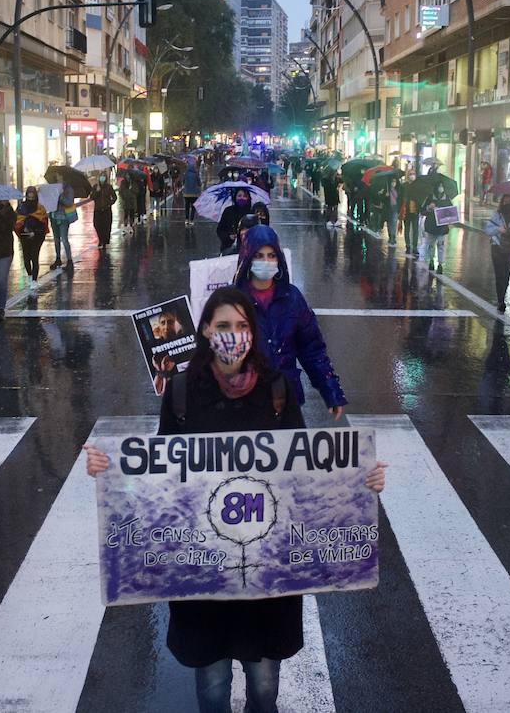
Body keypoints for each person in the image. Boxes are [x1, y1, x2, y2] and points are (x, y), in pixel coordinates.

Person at [83, 287, 384, 713]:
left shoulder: (277, 390)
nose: (233, 334)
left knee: (264, 688)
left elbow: (307, 473)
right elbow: (159, 476)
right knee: (212, 686)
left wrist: (358, 480)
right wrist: (111, 471)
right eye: (223, 325)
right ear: (206, 330)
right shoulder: (181, 392)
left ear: (252, 332)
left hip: (266, 575)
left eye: (242, 326)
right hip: (205, 575)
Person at [233, 225, 348, 414]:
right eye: (259, 256)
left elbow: (312, 349)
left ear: (278, 258)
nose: (266, 261)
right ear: (248, 258)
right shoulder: (232, 300)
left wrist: (331, 391)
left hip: (286, 399)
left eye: (271, 255)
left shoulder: (292, 298)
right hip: (244, 403)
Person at [483, 194, 510, 311]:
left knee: (506, 275)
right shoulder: (497, 215)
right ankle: (500, 300)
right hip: (497, 248)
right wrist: (498, 229)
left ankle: (503, 295)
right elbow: (487, 230)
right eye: (505, 202)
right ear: (502, 203)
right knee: (499, 274)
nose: (508, 204)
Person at [16, 186, 49, 281]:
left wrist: (35, 232)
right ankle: (30, 275)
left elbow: (44, 223)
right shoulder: (21, 207)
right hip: (24, 236)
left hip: (37, 237)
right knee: (26, 259)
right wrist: (23, 230)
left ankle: (34, 280)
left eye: (32, 197)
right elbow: (17, 222)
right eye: (29, 197)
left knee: (34, 257)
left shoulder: (40, 208)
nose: (30, 199)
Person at [418, 187, 454, 273]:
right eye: (439, 186)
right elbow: (422, 211)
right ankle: (431, 261)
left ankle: (440, 264)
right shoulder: (430, 197)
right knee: (431, 245)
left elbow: (452, 212)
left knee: (441, 245)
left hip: (442, 227)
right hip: (431, 226)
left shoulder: (447, 198)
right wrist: (429, 208)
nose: (440, 188)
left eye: (442, 186)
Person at [216, 189, 256, 255]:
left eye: (244, 196)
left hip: (248, 249)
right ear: (235, 197)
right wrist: (229, 236)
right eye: (239, 196)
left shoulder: (251, 212)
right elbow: (220, 230)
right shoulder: (228, 211)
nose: (242, 198)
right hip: (228, 248)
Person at [49, 183, 77, 269]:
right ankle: (58, 259)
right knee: (56, 239)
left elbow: (69, 203)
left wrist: (60, 196)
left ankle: (69, 260)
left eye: (59, 177)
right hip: (53, 216)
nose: (58, 178)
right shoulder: (53, 188)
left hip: (64, 218)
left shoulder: (68, 189)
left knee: (64, 239)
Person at [89, 172, 117, 253]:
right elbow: (92, 197)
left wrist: (109, 203)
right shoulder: (95, 187)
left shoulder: (109, 187)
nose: (102, 178)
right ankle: (100, 239)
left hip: (106, 210)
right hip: (97, 210)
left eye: (104, 177)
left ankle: (104, 242)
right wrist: (97, 191)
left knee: (106, 227)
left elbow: (114, 197)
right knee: (97, 225)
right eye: (101, 177)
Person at [398, 173, 421, 256]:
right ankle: (408, 246)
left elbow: (420, 198)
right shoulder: (404, 186)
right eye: (411, 174)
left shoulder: (418, 186)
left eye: (413, 174)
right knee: (407, 229)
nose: (412, 176)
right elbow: (400, 197)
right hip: (406, 210)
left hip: (415, 210)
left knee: (415, 230)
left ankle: (415, 247)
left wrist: (419, 208)